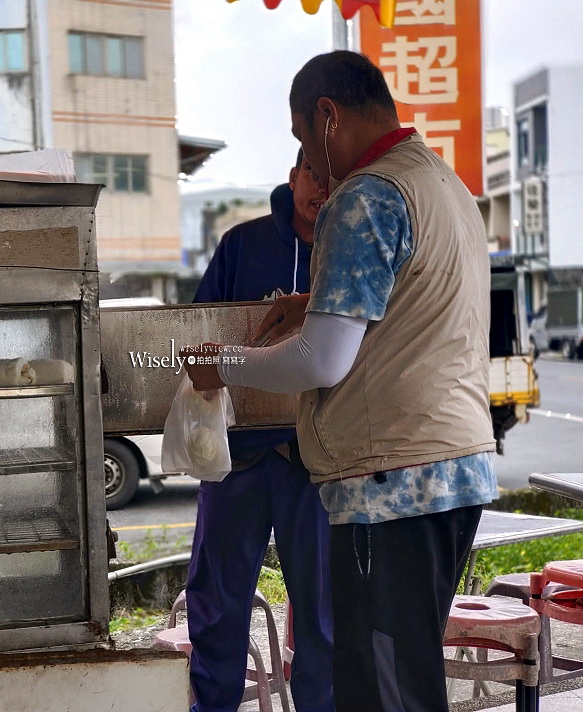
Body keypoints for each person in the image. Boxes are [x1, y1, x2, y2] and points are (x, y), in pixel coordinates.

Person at [182, 51, 498, 712]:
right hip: (452, 468)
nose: (309, 165)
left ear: (328, 118)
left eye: (303, 140)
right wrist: (316, 301)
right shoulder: (441, 182)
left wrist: (223, 366)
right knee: (405, 680)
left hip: (391, 480)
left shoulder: (366, 196)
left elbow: (321, 362)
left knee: (380, 691)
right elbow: (413, 309)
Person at [186, 150, 334, 712]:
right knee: (217, 607)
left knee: (323, 617)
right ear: (293, 178)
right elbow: (201, 330)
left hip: (316, 462)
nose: (320, 189)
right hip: (238, 460)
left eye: (330, 178)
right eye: (310, 176)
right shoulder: (242, 245)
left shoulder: (349, 252)